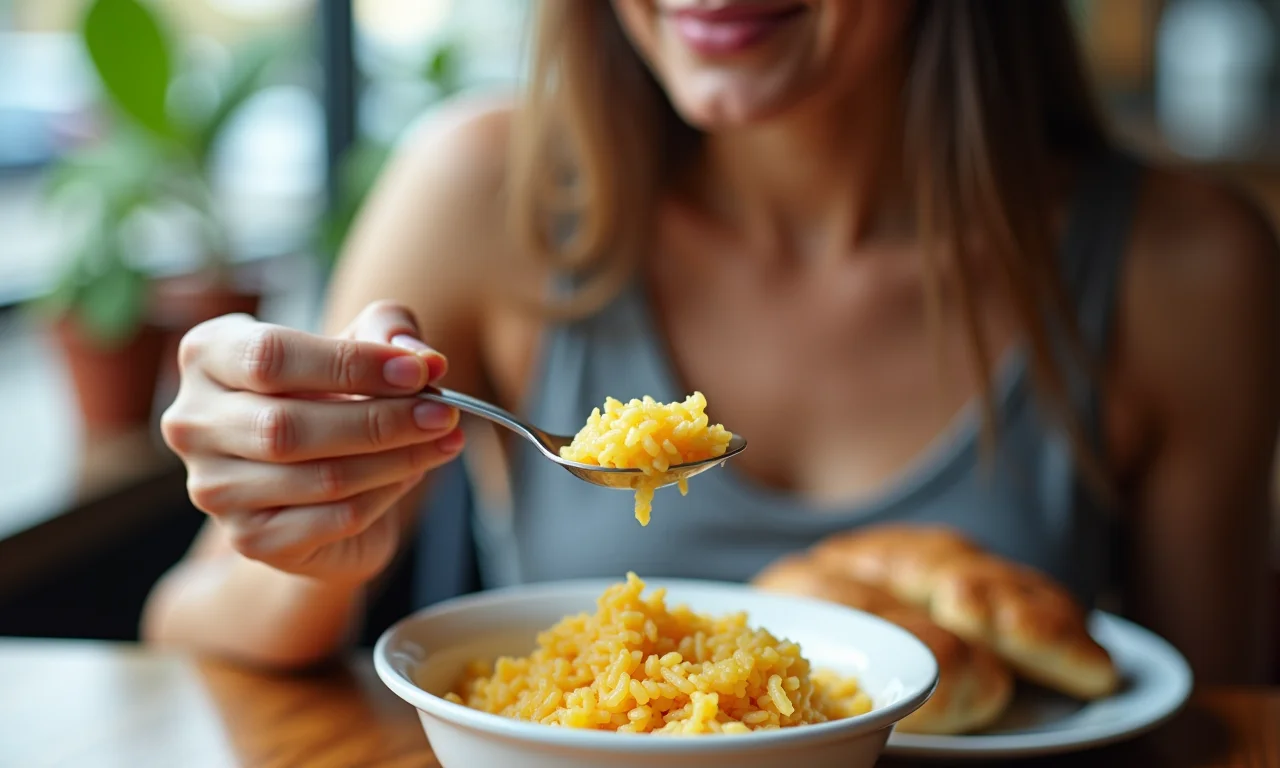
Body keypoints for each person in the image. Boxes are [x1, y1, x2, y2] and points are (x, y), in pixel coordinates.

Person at [142, 1, 1279, 683]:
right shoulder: (481, 193)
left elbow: (1218, 716)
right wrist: (315, 540)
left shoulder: (1181, 267)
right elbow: (188, 638)